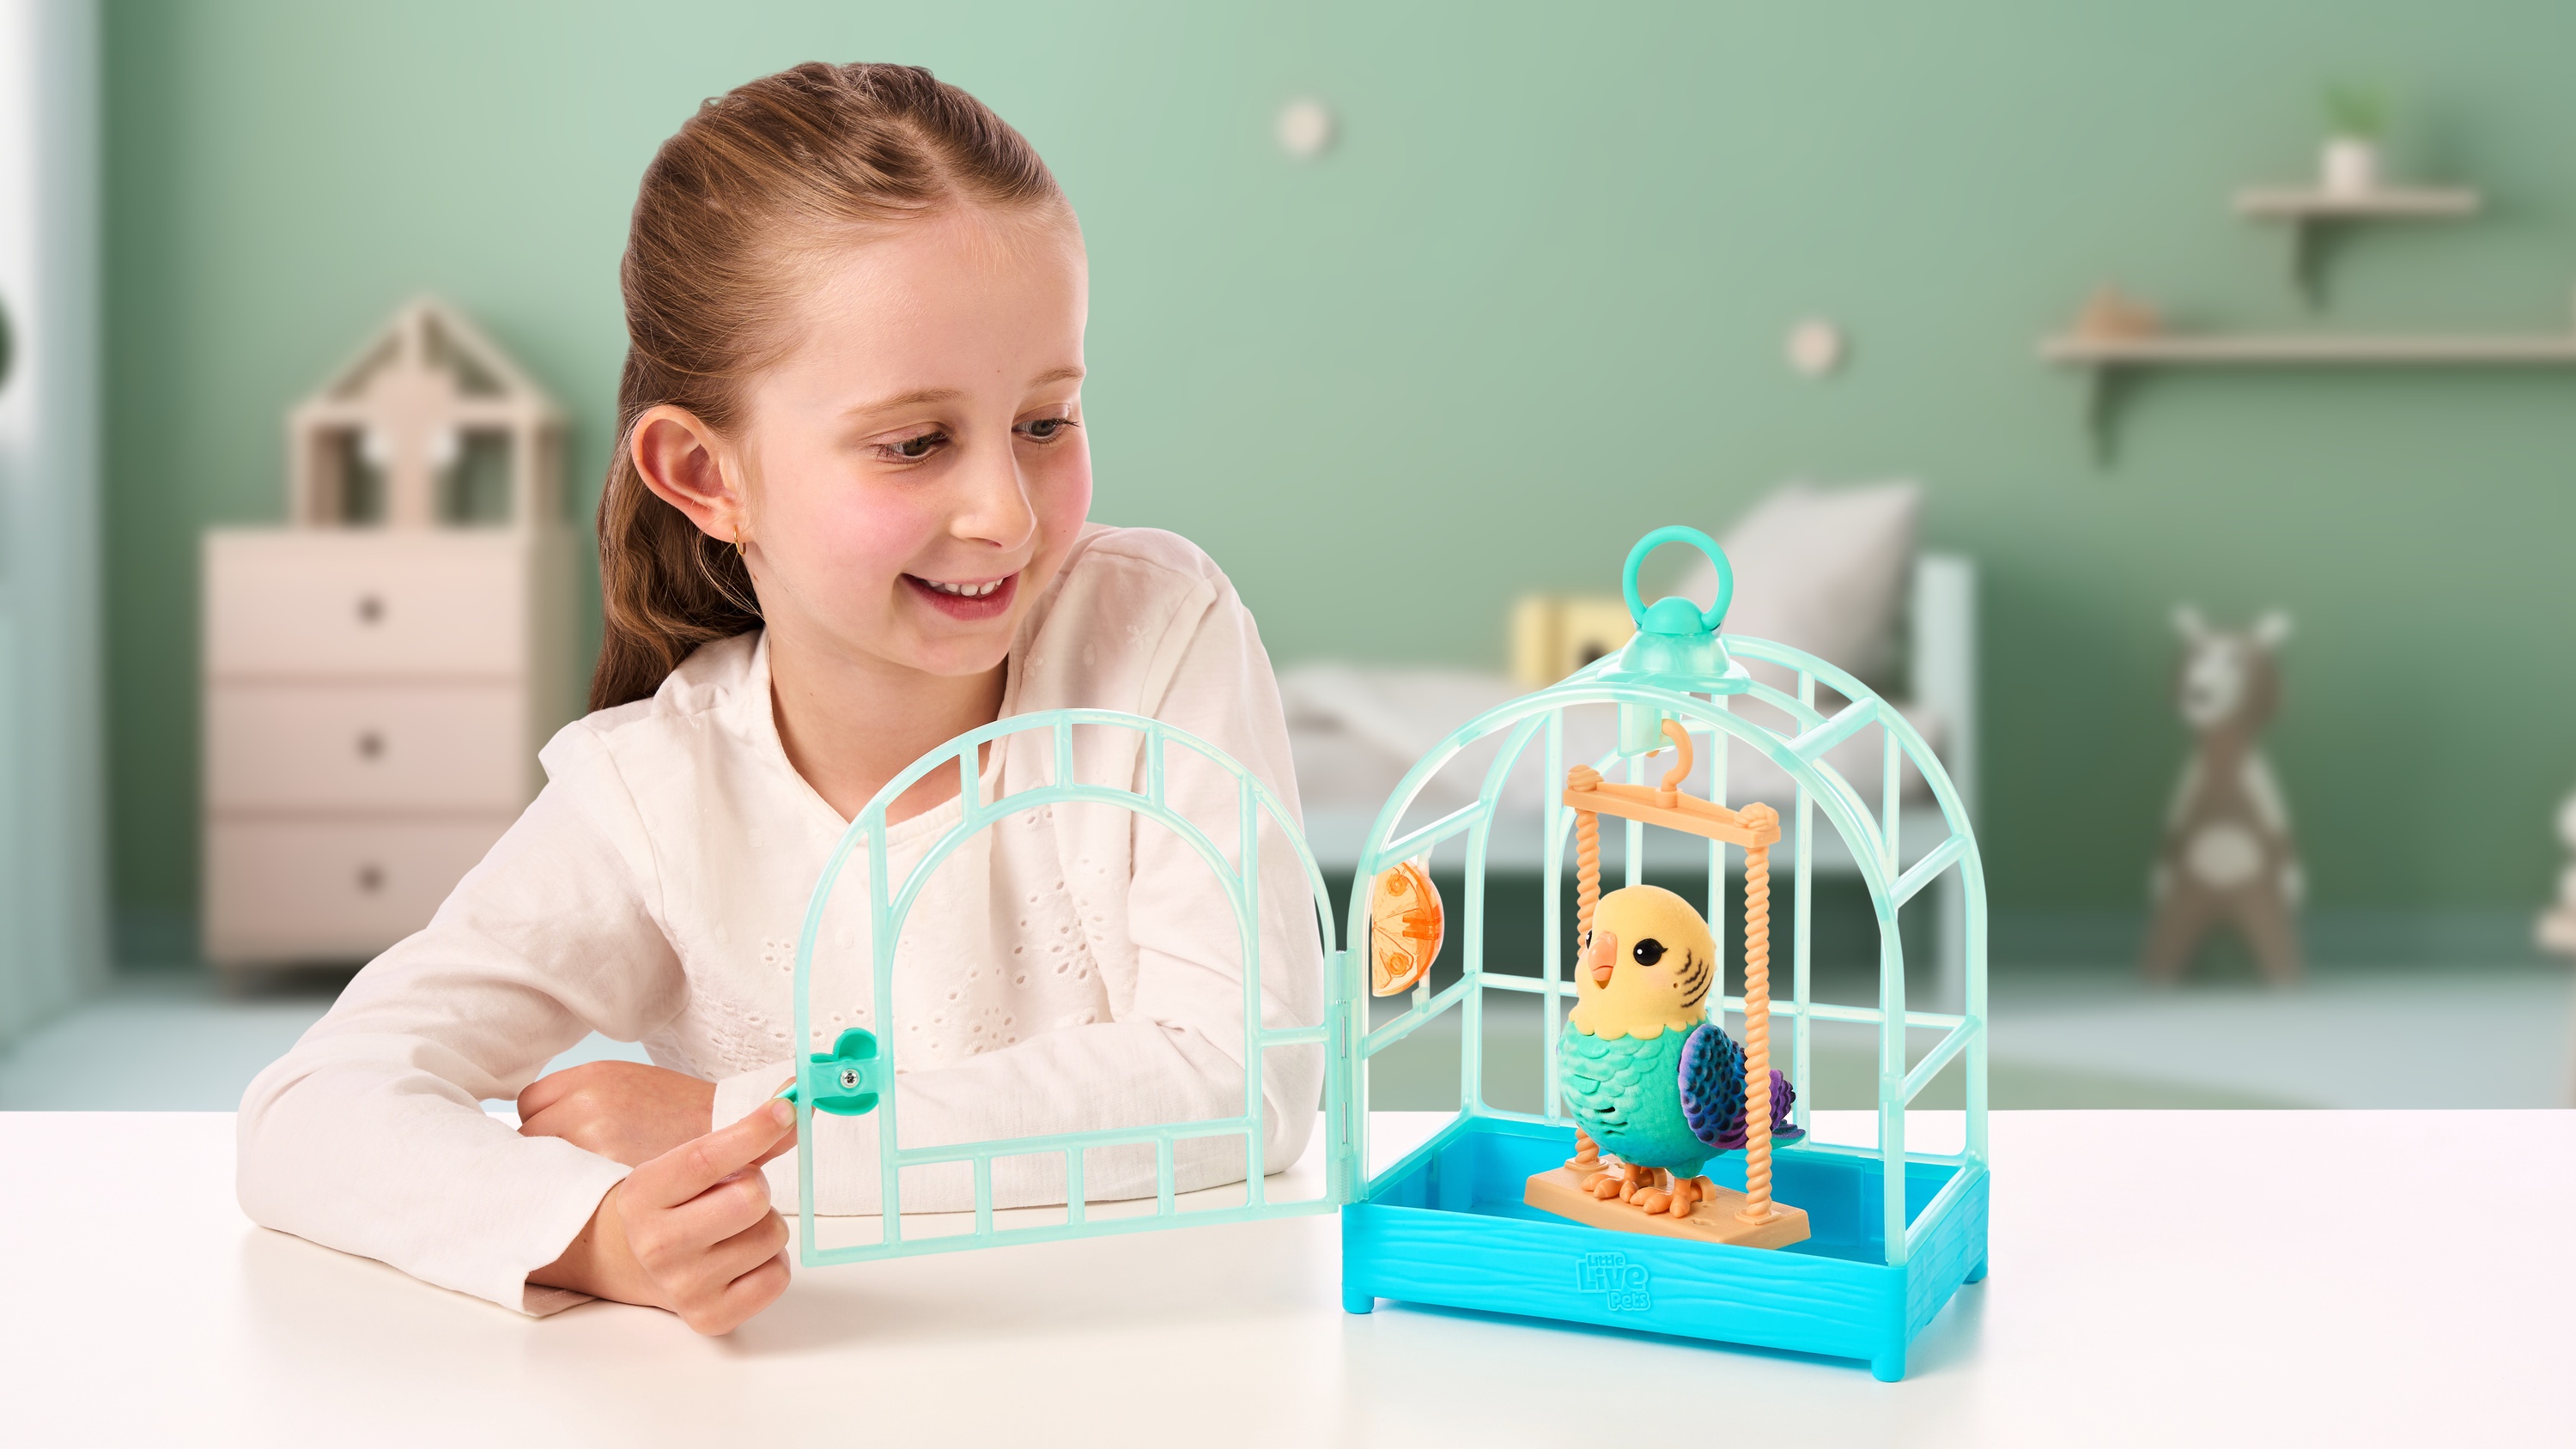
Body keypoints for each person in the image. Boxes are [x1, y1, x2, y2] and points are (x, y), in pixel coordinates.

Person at [237, 63, 1322, 1337]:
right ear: (707, 476)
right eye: (914, 443)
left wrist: (734, 1123)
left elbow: (1242, 1084)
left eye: (1048, 420)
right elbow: (309, 1113)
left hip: (1156, 1371)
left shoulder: (1156, 631)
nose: (1006, 514)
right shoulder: (653, 796)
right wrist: (594, 1237)